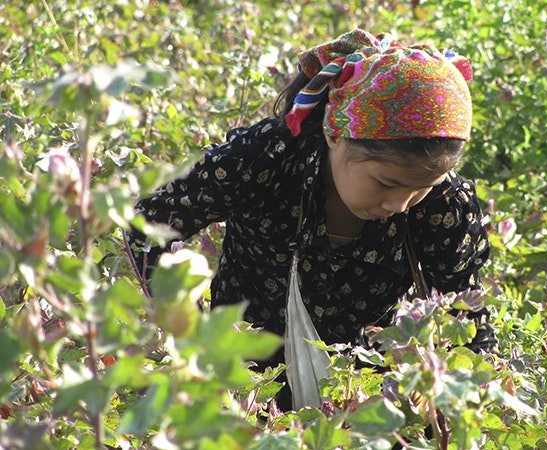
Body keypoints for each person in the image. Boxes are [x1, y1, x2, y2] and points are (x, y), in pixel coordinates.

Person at [127, 29, 496, 411]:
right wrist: (188, 331)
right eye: (386, 183)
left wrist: (470, 398)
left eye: (421, 188)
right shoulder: (263, 159)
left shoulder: (445, 202)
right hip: (243, 384)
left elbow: (465, 314)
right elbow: (147, 226)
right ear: (335, 133)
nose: (401, 204)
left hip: (369, 397)